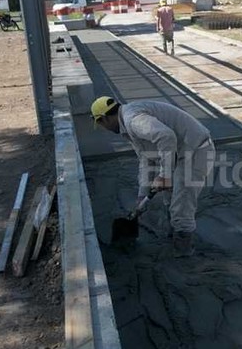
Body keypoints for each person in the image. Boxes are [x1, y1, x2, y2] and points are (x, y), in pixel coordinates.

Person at [90, 96, 215, 255]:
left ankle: (183, 252)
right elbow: (146, 158)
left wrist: (164, 175)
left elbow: (166, 136)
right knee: (169, 199)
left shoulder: (133, 120)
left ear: (104, 119)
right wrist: (142, 195)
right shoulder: (128, 124)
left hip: (196, 151)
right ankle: (173, 235)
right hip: (179, 152)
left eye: (100, 124)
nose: (103, 128)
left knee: (181, 205)